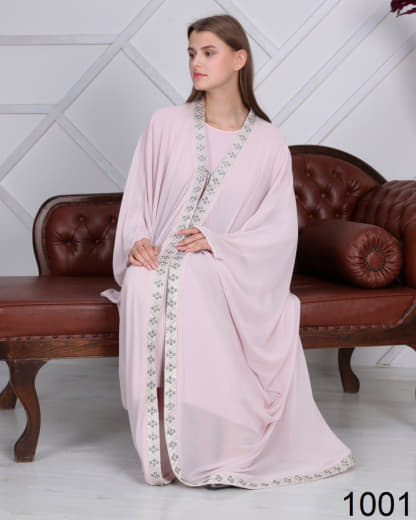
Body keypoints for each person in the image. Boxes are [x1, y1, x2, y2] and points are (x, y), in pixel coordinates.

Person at [100, 14, 355, 489]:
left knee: (193, 278)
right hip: (158, 258)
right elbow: (138, 199)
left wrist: (219, 243)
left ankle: (221, 446)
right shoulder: (165, 124)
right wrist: (137, 239)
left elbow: (278, 231)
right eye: (191, 54)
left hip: (222, 266)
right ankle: (161, 452)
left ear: (239, 59)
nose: (196, 63)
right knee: (141, 283)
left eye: (208, 52)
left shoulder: (268, 142)